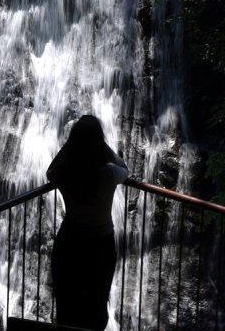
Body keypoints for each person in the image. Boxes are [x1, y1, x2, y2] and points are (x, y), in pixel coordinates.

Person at [47, 115, 129, 330]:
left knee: (66, 307)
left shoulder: (65, 172)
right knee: (97, 306)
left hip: (70, 243)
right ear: (99, 143)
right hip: (100, 246)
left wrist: (69, 147)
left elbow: (50, 170)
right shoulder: (109, 174)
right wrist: (105, 149)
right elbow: (125, 169)